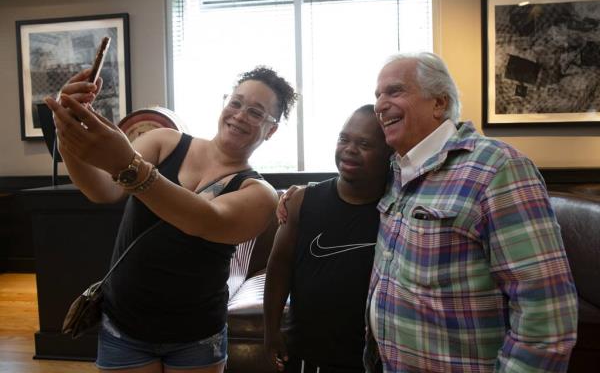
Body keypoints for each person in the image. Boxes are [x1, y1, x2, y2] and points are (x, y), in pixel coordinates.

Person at [44, 66, 296, 373]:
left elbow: (202, 219)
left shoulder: (259, 194)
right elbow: (102, 190)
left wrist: (129, 164)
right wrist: (65, 131)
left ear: (271, 130)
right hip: (124, 323)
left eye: (256, 112)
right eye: (236, 102)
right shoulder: (165, 142)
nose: (240, 115)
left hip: (197, 335)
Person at [365, 52, 578, 372]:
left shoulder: (498, 167)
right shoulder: (397, 168)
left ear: (439, 103)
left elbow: (547, 316)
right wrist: (301, 194)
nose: (379, 105)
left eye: (395, 91)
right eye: (377, 95)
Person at [264, 105, 392, 373]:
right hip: (307, 353)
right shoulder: (301, 201)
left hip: (371, 357)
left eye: (364, 143)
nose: (349, 149)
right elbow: (279, 268)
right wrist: (271, 331)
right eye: (344, 139)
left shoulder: (397, 208)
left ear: (389, 154)